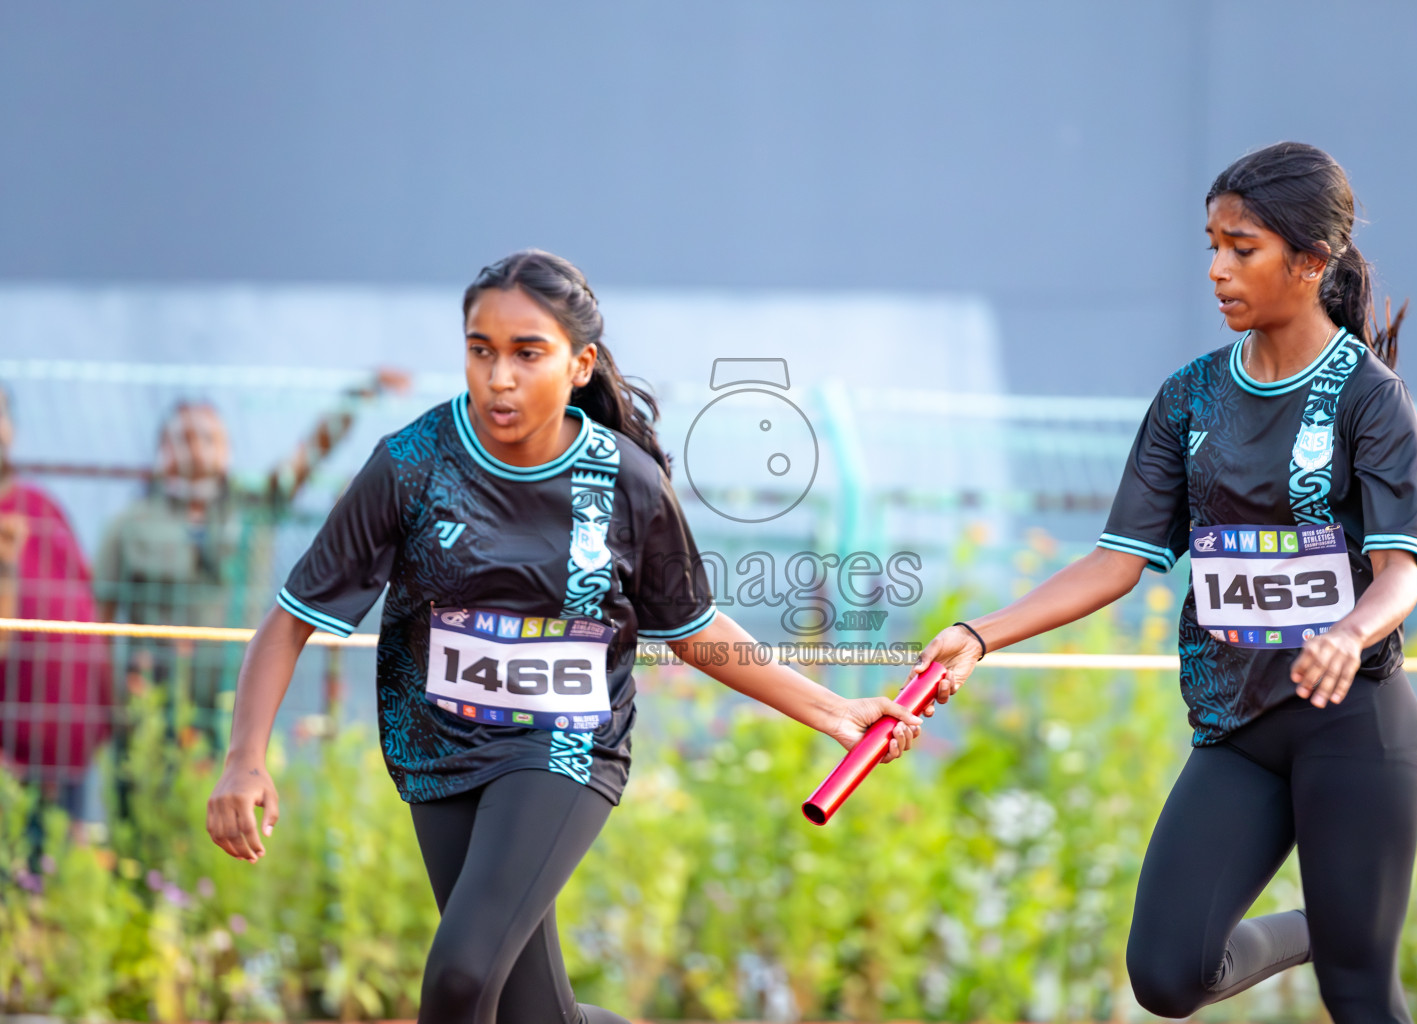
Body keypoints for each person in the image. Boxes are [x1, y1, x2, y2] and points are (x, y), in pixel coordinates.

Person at [204, 249, 924, 1024]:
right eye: (480, 351)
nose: (499, 377)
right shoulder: (410, 465)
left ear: (579, 365)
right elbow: (289, 621)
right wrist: (244, 761)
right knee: (531, 1016)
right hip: (437, 744)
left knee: (459, 977)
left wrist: (833, 711)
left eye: (527, 354)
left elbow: (693, 626)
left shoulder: (628, 482)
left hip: (567, 744)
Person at [909, 142, 1417, 1023]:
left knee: (1361, 995)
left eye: (1244, 248)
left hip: (1355, 729)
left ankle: (1346, 937)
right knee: (1167, 974)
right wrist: (980, 633)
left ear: (1311, 263)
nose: (1219, 270)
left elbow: (1398, 575)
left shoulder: (1368, 398)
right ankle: (1322, 926)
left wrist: (1348, 633)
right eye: (1212, 246)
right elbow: (1118, 560)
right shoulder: (1188, 399)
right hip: (1237, 729)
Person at [95, 370, 408, 737]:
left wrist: (355, 397)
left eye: (209, 437)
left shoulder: (253, 506)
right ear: (163, 450)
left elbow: (307, 456)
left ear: (227, 450)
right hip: (151, 706)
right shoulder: (130, 524)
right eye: (185, 438)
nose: (197, 448)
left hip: (234, 699)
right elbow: (98, 622)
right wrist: (115, 695)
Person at [0, 384, 112, 823]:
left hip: (68, 746)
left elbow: (88, 601)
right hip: (11, 755)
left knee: (57, 879)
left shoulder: (40, 507)